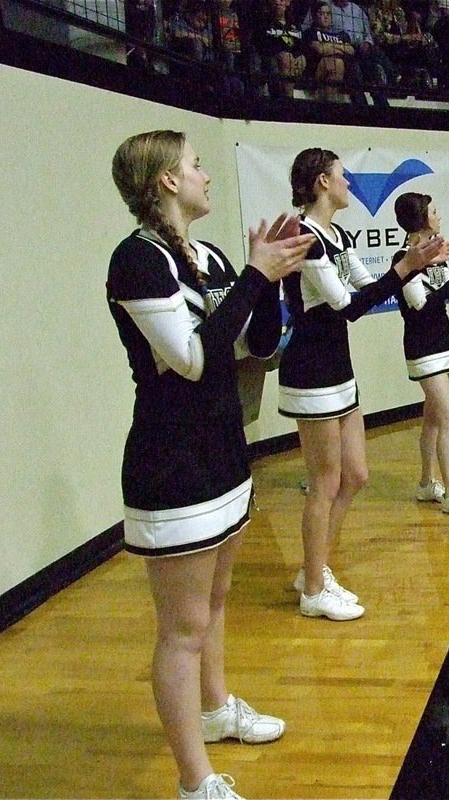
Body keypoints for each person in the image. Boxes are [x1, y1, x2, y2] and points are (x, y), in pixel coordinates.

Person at [107, 130, 315, 800]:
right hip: (173, 462)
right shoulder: (137, 260)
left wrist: (272, 280)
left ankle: (216, 709)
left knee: (217, 602)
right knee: (182, 630)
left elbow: (255, 342)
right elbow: (193, 360)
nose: (206, 176)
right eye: (196, 166)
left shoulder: (212, 252)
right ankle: (194, 781)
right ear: (167, 181)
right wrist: (256, 275)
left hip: (225, 448)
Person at [279, 148, 449, 620]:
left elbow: (369, 285)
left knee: (356, 474)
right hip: (311, 371)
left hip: (339, 368)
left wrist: (416, 265)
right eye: (342, 177)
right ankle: (314, 586)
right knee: (324, 482)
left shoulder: (336, 234)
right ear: (322, 182)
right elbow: (348, 304)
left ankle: (314, 570)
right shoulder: (305, 237)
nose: (348, 184)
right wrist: (406, 269)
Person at [392, 191, 449, 517]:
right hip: (423, 347)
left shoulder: (434, 257)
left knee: (432, 419)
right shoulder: (403, 259)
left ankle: (425, 483)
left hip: (444, 343)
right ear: (420, 218)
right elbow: (423, 306)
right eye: (434, 210)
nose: (439, 214)